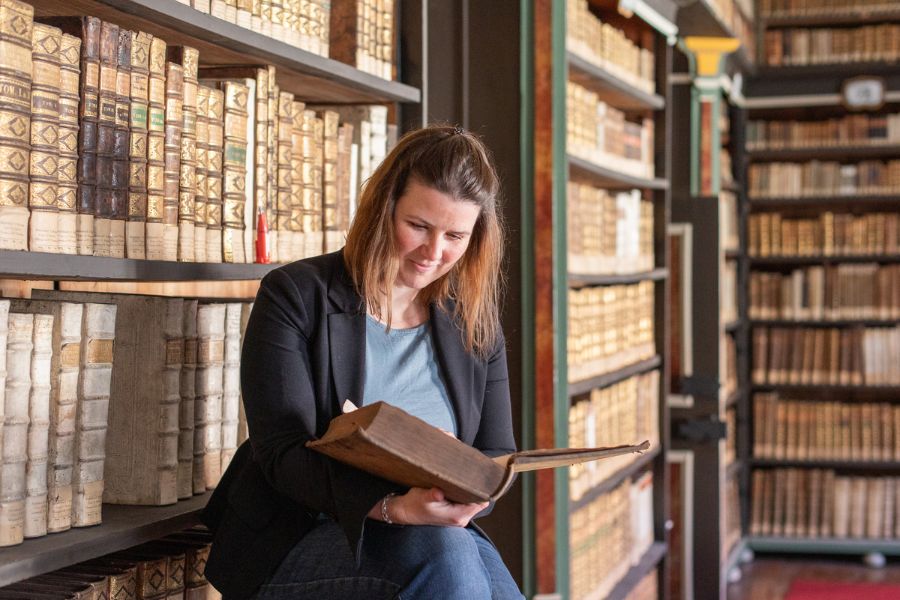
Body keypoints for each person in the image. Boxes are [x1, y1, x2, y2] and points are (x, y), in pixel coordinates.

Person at [202, 124, 524, 599]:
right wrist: (395, 507)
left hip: (432, 538)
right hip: (298, 532)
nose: (434, 253)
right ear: (383, 208)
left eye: (455, 235)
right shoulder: (295, 295)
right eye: (419, 227)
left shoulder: (473, 322)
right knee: (448, 558)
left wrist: (455, 483)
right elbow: (282, 453)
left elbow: (495, 454)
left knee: (463, 565)